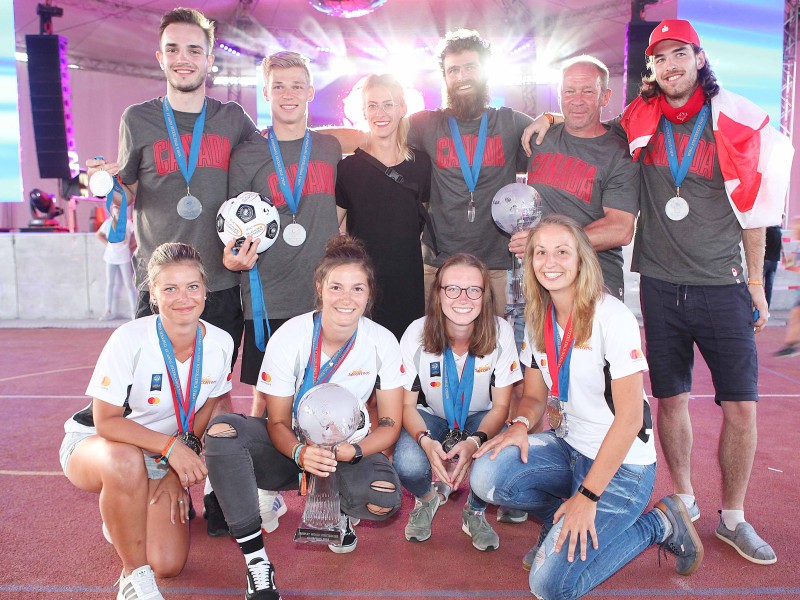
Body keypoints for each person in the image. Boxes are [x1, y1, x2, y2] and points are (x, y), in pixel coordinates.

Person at [522, 19, 791, 565]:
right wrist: (549, 115)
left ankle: (735, 517)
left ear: (697, 57)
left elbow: (755, 210)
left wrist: (759, 283)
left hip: (723, 283)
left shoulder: (732, 123)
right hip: (662, 285)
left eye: (679, 55)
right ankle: (685, 502)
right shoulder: (636, 123)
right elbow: (582, 116)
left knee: (741, 407)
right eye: (659, 58)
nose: (670, 66)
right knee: (669, 402)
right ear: (651, 68)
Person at [85, 7, 260, 535]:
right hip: (159, 284)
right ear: (159, 57)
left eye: (195, 50)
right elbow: (129, 187)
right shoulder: (137, 118)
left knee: (215, 393)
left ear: (210, 58)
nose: (184, 59)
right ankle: (155, 478)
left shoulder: (233, 120)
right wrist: (108, 186)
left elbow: (275, 164)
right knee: (148, 394)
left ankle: (216, 487)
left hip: (221, 282)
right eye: (174, 49)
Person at [470, 215, 703, 599]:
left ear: (582, 259)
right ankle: (555, 526)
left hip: (621, 468)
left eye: (563, 251)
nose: (550, 261)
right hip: (569, 447)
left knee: (549, 587)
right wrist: (520, 424)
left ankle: (659, 524)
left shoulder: (612, 317)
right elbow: (534, 396)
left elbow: (629, 418)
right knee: (488, 476)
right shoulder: (536, 317)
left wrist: (587, 497)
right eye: (540, 252)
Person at [204, 236, 405, 600]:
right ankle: (256, 562)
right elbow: (276, 421)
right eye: (336, 287)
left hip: (344, 449)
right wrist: (299, 453)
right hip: (289, 449)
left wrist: (353, 453)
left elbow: (391, 424)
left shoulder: (383, 341)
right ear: (320, 288)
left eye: (357, 288)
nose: (347, 298)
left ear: (369, 292)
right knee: (222, 432)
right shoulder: (291, 336)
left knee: (384, 499)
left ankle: (339, 507)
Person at [59, 242, 234, 600]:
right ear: (153, 293)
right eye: (169, 288)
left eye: (192, 287)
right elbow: (107, 422)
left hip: (159, 457)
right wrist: (172, 449)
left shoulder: (221, 343)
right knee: (124, 463)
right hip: (99, 445)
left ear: (205, 289)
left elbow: (206, 405)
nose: (182, 298)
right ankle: (132, 576)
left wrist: (173, 471)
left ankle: (125, 511)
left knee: (169, 564)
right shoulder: (130, 339)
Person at [324, 29, 533, 317]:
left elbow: (563, 133)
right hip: (437, 264)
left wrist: (548, 118)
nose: (462, 76)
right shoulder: (426, 124)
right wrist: (302, 137)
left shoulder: (510, 122)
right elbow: (374, 131)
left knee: (493, 349)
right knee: (429, 347)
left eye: (470, 67)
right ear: (445, 77)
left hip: (494, 264)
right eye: (453, 70)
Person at [395, 253, 522, 551]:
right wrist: (426, 442)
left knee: (494, 466)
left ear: (484, 295)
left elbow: (502, 407)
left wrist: (476, 442)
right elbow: (406, 407)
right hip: (433, 418)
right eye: (452, 289)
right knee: (407, 463)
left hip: (481, 418)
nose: (462, 298)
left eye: (473, 290)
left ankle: (475, 511)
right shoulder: (416, 333)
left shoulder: (501, 332)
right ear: (438, 294)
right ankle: (427, 499)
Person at [509, 56, 639, 301]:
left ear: (605, 96)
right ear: (559, 94)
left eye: (588, 91)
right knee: (539, 340)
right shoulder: (539, 138)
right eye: (569, 91)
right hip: (541, 280)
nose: (577, 100)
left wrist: (547, 243)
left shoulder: (620, 152)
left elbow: (620, 229)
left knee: (590, 341)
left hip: (594, 282)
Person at [335, 73, 431, 340]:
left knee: (405, 363)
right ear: (363, 111)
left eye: (388, 104)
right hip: (363, 283)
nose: (380, 113)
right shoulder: (348, 168)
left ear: (402, 108)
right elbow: (333, 227)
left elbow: (419, 220)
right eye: (373, 105)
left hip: (408, 281)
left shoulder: (421, 164)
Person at [96, 203, 137, 321]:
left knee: (129, 284)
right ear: (111, 209)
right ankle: (108, 310)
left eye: (119, 207)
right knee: (110, 284)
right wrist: (109, 244)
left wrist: (131, 246)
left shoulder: (127, 223)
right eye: (115, 207)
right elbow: (98, 234)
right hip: (110, 257)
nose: (117, 210)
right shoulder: (108, 223)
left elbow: (137, 235)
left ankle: (134, 310)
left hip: (124, 256)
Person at [763, 224, 782, 307]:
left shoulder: (767, 230)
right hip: (774, 262)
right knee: (769, 286)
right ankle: (767, 308)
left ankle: (757, 307)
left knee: (758, 284)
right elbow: (780, 247)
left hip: (765, 260)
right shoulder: (779, 232)